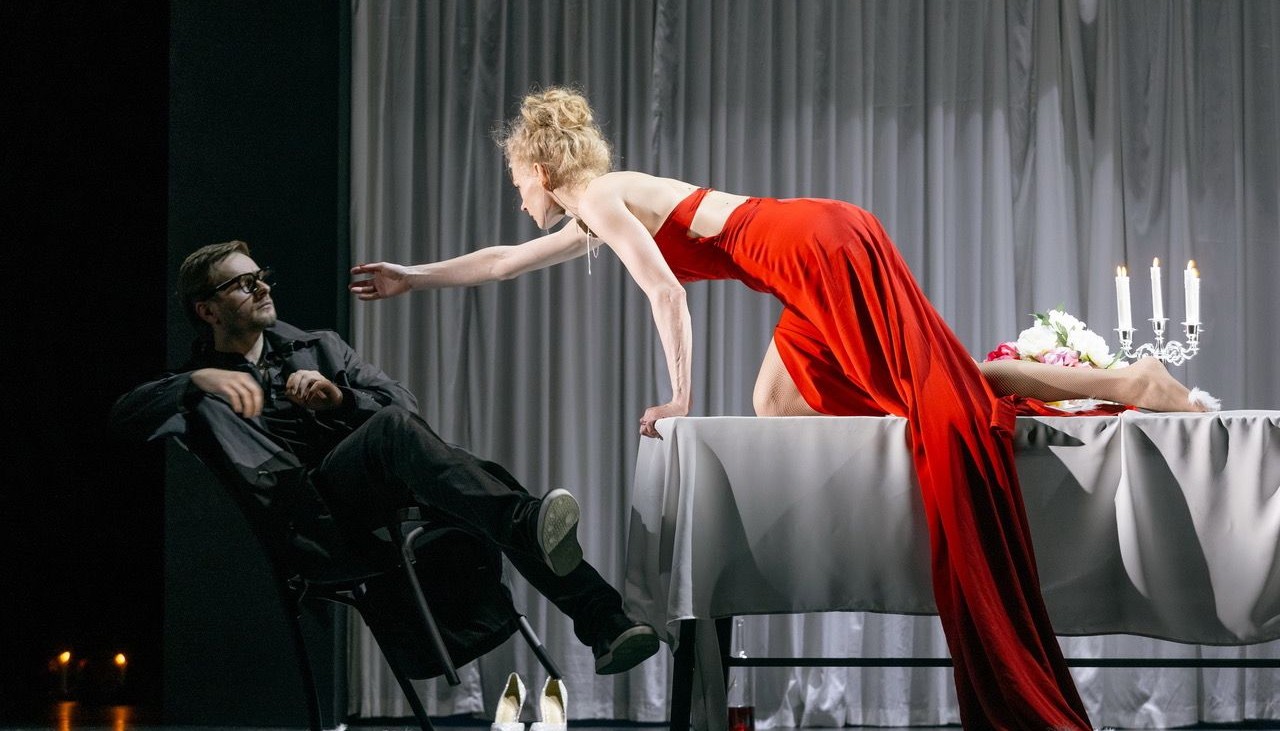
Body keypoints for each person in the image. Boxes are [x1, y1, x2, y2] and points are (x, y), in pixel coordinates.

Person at [349, 85, 1203, 729]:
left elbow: (666, 293)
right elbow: (504, 261)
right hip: (804, 259)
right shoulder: (592, 212)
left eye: (516, 181)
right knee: (786, 400)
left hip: (815, 248)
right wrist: (410, 278)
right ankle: (946, 457)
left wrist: (681, 396)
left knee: (931, 393)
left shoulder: (602, 197)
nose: (518, 198)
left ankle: (1132, 384)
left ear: (538, 168)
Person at [111, 239, 661, 676]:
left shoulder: (319, 347)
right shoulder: (199, 390)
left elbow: (404, 405)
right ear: (207, 310)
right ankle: (539, 538)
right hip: (312, 519)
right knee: (429, 452)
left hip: (374, 502)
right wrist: (196, 380)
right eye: (242, 283)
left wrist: (340, 398)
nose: (262, 288)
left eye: (261, 277)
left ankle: (604, 623)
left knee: (475, 472)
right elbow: (124, 417)